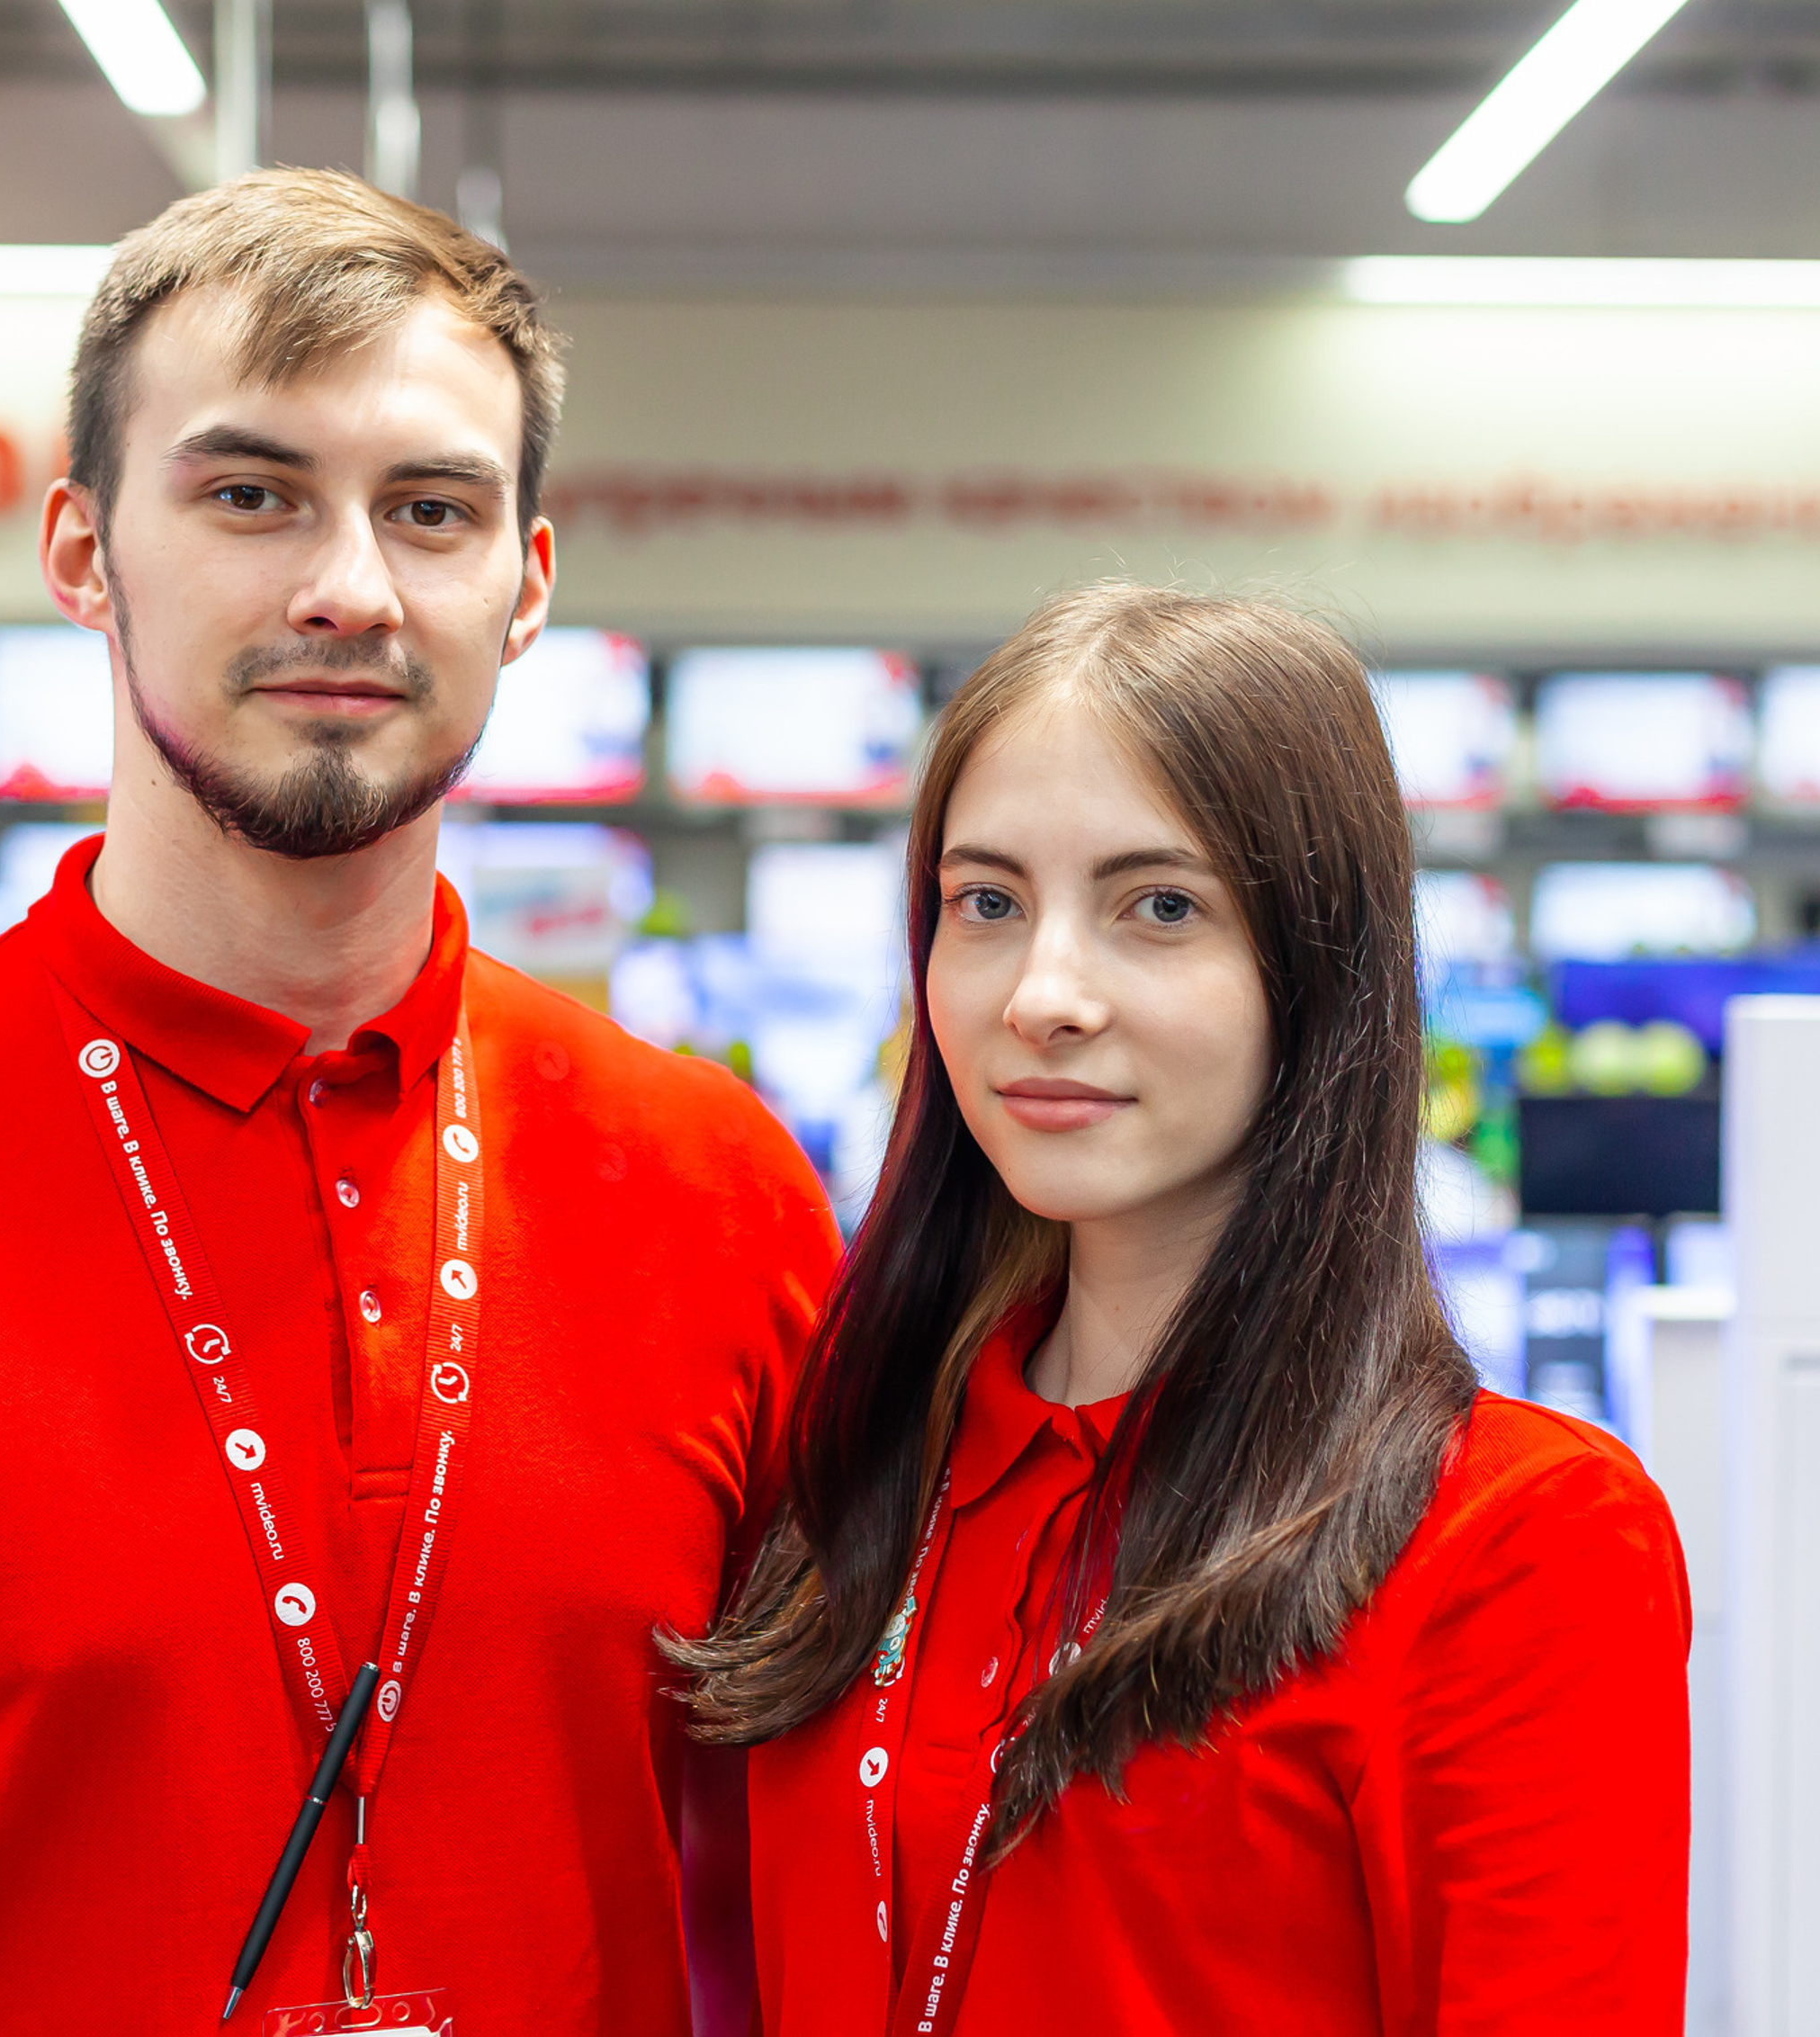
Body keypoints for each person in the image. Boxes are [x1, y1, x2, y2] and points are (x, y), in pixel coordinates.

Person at [0, 169, 839, 2037]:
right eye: (248, 492)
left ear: (526, 584)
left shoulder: (723, 1194)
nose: (345, 585)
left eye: (432, 510)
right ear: (81, 547)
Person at [676, 585, 1692, 2034]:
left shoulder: (1515, 1540)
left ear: (1321, 965)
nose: (1045, 992)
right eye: (988, 902)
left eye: (1160, 906)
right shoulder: (857, 1481)